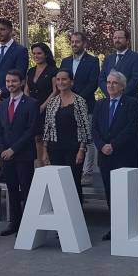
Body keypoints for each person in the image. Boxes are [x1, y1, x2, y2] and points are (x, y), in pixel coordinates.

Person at [92, 70, 138, 241]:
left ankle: (129, 228)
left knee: (126, 194)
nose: (110, 86)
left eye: (114, 83)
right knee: (110, 193)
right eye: (108, 82)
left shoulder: (132, 103)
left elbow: (131, 128)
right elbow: (95, 129)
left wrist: (113, 145)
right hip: (105, 157)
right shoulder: (100, 104)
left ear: (122, 87)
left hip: (124, 155)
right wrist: (101, 146)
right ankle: (115, 228)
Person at [0, 70, 39, 236]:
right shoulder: (2, 104)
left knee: (27, 190)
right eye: (7, 81)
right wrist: (3, 150)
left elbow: (31, 130)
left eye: (13, 81)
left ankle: (28, 224)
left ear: (22, 82)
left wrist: (13, 149)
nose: (10, 84)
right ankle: (14, 223)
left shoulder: (31, 103)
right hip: (6, 156)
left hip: (24, 154)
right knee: (11, 190)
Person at [59, 31, 100, 186]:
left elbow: (93, 83)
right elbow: (62, 82)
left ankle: (88, 172)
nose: (74, 44)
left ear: (84, 44)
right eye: (72, 41)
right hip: (66, 107)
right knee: (71, 138)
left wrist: (78, 99)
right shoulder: (65, 61)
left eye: (77, 42)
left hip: (86, 105)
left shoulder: (93, 61)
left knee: (87, 140)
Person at [43, 69, 92, 198]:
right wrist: (45, 150)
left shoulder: (79, 101)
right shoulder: (52, 102)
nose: (61, 82)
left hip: (73, 149)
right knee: (57, 183)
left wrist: (82, 149)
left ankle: (77, 214)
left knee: (74, 182)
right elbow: (47, 128)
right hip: (55, 148)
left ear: (71, 82)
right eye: (58, 80)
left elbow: (85, 127)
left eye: (64, 79)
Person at [25, 42, 58, 166]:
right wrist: (28, 106)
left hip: (48, 108)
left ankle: (48, 164)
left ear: (45, 54)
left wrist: (43, 106)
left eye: (39, 53)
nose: (36, 56)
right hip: (33, 108)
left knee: (47, 139)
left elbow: (56, 90)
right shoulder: (31, 71)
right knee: (37, 138)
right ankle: (40, 165)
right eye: (34, 54)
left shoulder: (53, 70)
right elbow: (26, 90)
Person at [0, 18, 29, 108]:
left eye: (2, 29)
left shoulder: (20, 51)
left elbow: (20, 75)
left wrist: (0, 92)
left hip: (13, 99)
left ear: (10, 30)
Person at [98, 28, 138, 101]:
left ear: (127, 40)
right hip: (111, 101)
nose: (117, 40)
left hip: (130, 101)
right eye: (115, 38)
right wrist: (110, 93)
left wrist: (119, 94)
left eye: (120, 38)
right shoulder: (108, 59)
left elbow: (136, 79)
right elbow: (101, 79)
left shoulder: (136, 57)